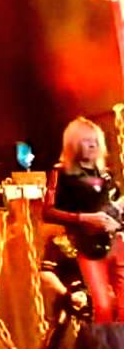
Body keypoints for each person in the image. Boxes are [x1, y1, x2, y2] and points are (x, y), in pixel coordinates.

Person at [43, 116, 124, 323]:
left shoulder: (105, 174)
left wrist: (117, 217)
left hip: (116, 242)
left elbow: (113, 207)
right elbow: (48, 212)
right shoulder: (61, 173)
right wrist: (84, 218)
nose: (92, 145)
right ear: (74, 144)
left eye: (95, 141)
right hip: (87, 245)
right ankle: (104, 344)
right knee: (103, 306)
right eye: (86, 141)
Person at [39, 231, 89, 349]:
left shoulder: (109, 240)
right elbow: (46, 273)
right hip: (70, 302)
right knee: (59, 340)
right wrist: (68, 295)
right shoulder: (60, 243)